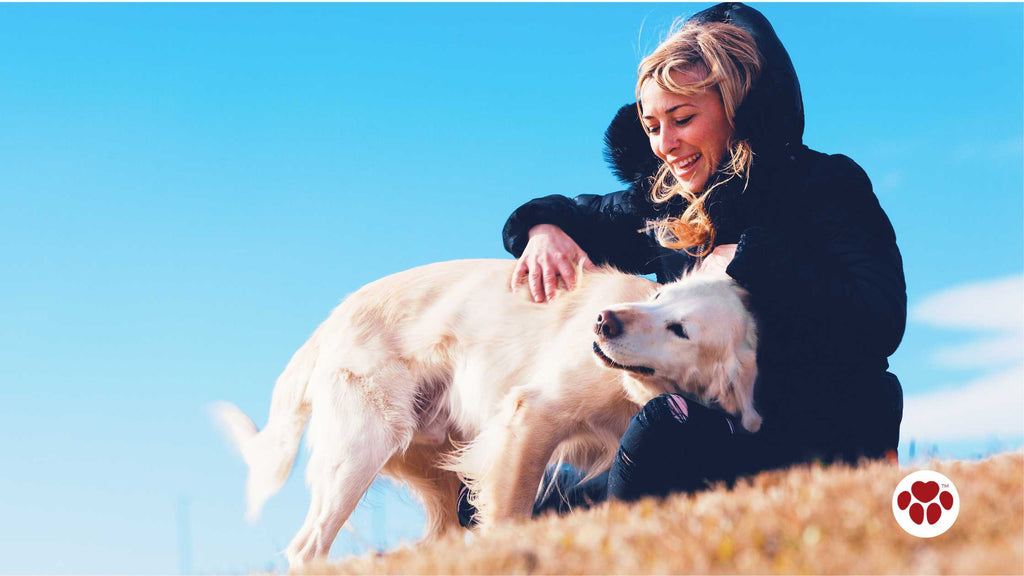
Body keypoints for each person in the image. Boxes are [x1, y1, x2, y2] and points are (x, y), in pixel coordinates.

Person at [459, 2, 906, 525]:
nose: (665, 145)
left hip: (819, 426)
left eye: (683, 119)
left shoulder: (826, 185)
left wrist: (753, 261)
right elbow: (582, 214)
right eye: (652, 126)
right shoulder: (670, 207)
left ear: (739, 108)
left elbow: (880, 322)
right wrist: (540, 230)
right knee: (484, 505)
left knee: (659, 425)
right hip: (709, 436)